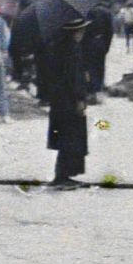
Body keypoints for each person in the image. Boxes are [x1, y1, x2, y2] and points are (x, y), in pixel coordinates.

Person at [38, 18, 92, 188]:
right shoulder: (72, 50)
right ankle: (63, 175)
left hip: (59, 99)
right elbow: (73, 78)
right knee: (71, 136)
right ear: (76, 31)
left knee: (65, 136)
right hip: (69, 99)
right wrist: (80, 98)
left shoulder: (57, 47)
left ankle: (64, 174)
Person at [82, 2, 115, 96]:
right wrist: (106, 46)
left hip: (87, 42)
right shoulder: (106, 12)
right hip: (100, 42)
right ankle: (98, 87)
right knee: (99, 65)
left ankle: (89, 87)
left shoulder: (84, 11)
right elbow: (110, 31)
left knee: (87, 66)